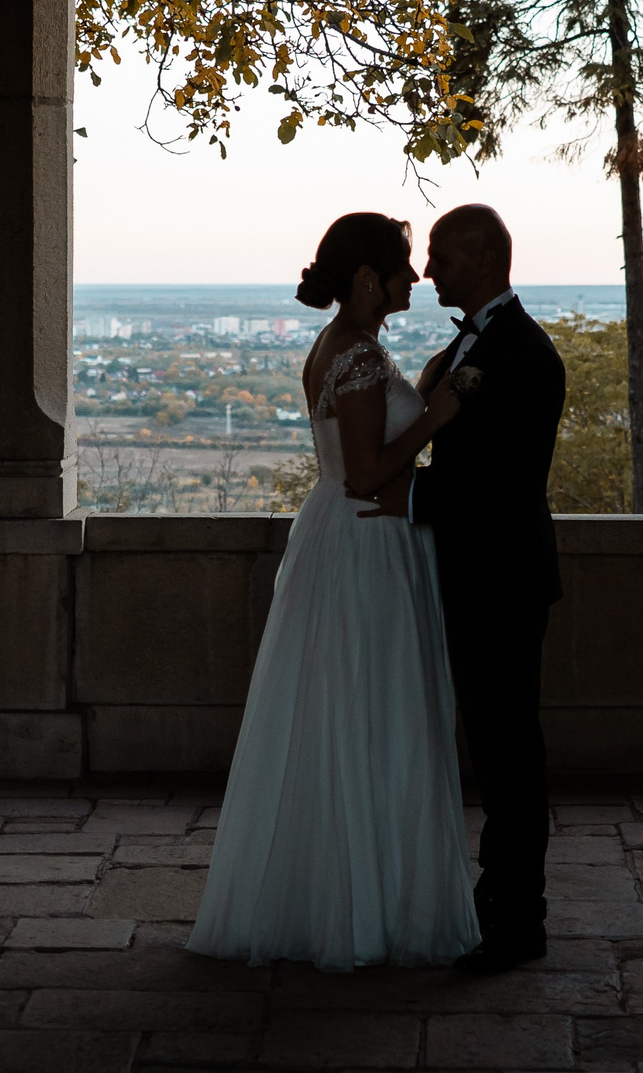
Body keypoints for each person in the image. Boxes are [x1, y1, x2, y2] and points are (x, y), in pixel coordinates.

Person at [186, 213, 479, 970]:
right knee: (372, 707)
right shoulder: (351, 354)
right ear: (365, 279)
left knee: (351, 710)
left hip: (349, 537)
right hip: (365, 540)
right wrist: (437, 418)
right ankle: (369, 903)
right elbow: (366, 471)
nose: (413, 277)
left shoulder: (351, 348)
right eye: (402, 266)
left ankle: (351, 892)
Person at [411, 203, 567, 975]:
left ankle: (520, 916)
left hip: (502, 575)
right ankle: (498, 887)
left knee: (510, 749)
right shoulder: (476, 343)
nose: (428, 267)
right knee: (496, 741)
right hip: (480, 574)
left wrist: (402, 498)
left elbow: (499, 485)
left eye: (439, 253)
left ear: (481, 258)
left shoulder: (523, 354)